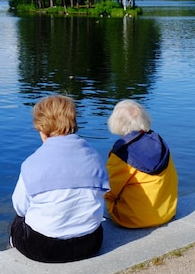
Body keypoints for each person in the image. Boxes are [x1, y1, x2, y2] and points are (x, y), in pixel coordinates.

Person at [10, 95, 109, 263]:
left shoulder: (33, 163)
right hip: (91, 242)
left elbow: (20, 207)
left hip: (45, 248)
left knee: (17, 223)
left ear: (41, 128)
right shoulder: (94, 156)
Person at [105, 100, 178, 229]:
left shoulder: (122, 152)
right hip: (166, 212)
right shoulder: (159, 141)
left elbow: (110, 190)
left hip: (132, 219)